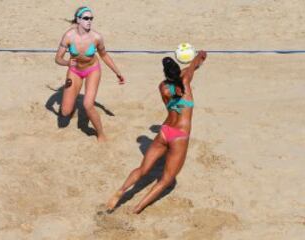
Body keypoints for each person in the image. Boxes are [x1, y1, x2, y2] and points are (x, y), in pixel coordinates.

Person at [107, 50, 207, 213]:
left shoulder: (162, 87)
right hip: (179, 136)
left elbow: (181, 75)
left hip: (165, 131)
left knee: (142, 170)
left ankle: (122, 190)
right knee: (166, 180)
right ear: (179, 72)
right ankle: (137, 208)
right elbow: (194, 64)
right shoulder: (186, 82)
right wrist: (201, 55)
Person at [55, 6, 124, 142]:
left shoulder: (96, 37)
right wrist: (67, 63)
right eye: (86, 18)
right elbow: (57, 59)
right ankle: (71, 103)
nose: (89, 21)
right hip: (74, 70)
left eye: (91, 18)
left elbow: (104, 55)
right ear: (78, 20)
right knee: (64, 113)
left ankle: (100, 134)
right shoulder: (69, 36)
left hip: (92, 70)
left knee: (88, 105)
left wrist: (117, 73)